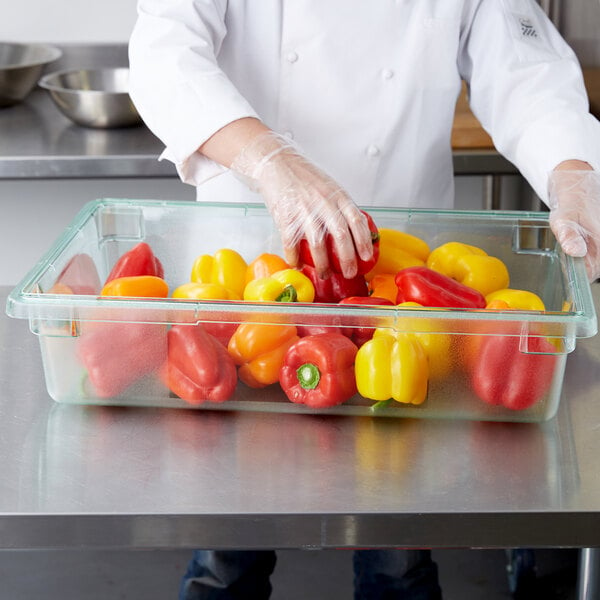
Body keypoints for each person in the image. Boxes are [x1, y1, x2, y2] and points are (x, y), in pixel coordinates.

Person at [128, 1, 600, 598]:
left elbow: (527, 69)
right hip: (250, 274)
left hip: (400, 284)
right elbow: (164, 52)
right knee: (229, 522)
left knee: (395, 528)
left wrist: (573, 175)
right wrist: (269, 160)